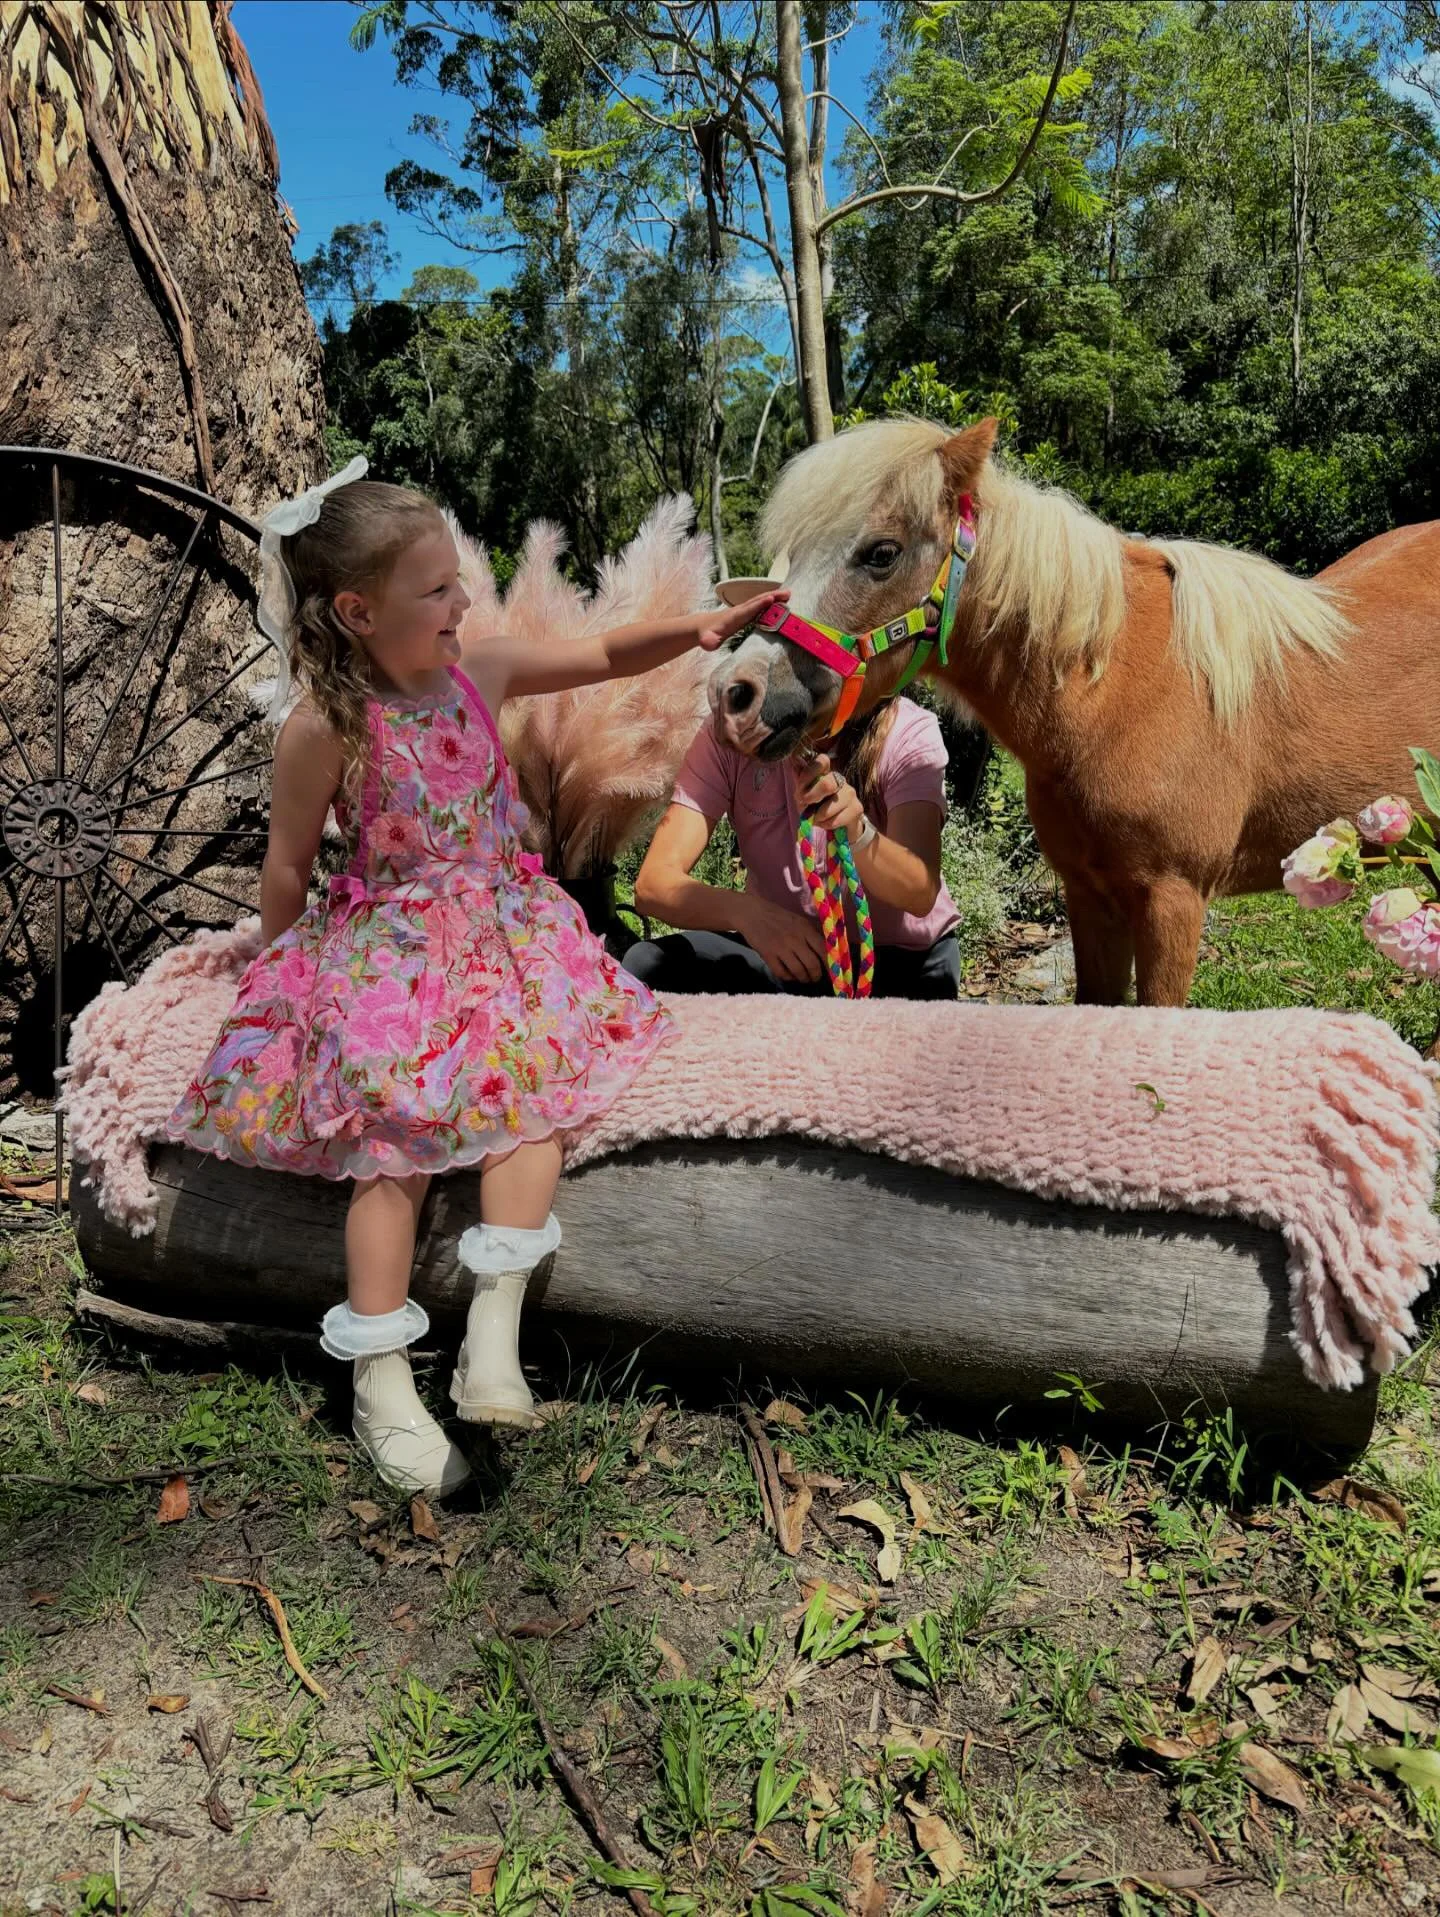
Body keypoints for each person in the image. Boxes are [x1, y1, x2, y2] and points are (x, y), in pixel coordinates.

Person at [166, 459, 781, 1497]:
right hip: (392, 951)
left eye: (457, 581)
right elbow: (286, 864)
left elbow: (599, 652)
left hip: (504, 932)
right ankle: (379, 1378)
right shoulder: (324, 727)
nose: (462, 601)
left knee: (533, 1098)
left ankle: (494, 1326)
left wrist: (700, 630)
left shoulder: (479, 673)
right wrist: (285, 977)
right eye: (437, 589)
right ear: (358, 612)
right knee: (389, 1144)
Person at [624, 697, 962, 998]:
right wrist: (749, 914)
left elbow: (919, 894)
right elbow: (654, 884)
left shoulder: (907, 731)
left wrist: (858, 833)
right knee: (649, 964)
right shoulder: (729, 732)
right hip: (790, 954)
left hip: (902, 962)